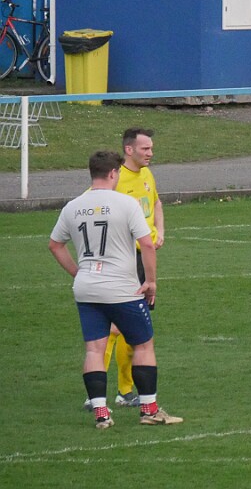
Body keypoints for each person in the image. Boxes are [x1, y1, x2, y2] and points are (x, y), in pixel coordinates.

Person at [49, 150, 182, 428]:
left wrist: (78, 272)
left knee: (94, 350)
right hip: (122, 287)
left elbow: (55, 245)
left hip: (87, 288)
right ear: (113, 173)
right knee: (143, 345)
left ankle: (101, 413)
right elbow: (147, 244)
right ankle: (149, 410)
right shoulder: (126, 203)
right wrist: (151, 282)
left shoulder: (73, 206)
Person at [82, 127, 165, 411]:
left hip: (143, 259)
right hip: (123, 261)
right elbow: (91, 207)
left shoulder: (147, 175)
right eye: (145, 148)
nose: (150, 153)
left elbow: (156, 202)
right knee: (113, 330)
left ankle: (125, 390)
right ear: (129, 150)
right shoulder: (115, 179)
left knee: (136, 330)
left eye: (151, 148)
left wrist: (160, 231)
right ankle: (97, 395)